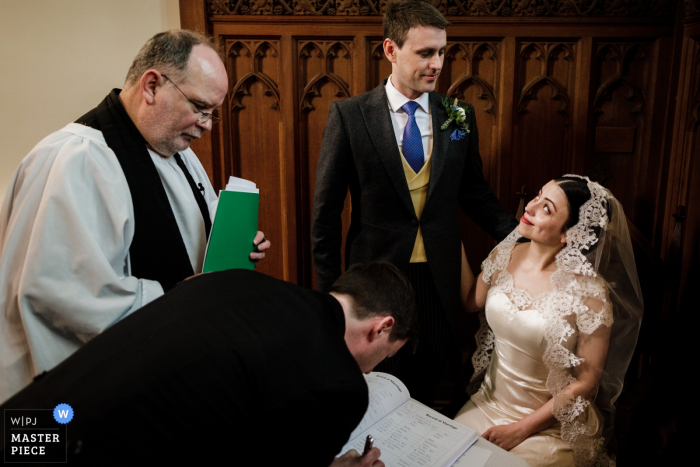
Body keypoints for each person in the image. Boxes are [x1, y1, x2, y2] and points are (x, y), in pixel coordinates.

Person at [0, 30, 271, 404]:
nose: (206, 124)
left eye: (212, 113)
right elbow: (62, 296)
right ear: (152, 86)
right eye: (199, 107)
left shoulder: (176, 152)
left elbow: (195, 239)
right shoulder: (73, 160)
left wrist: (237, 245)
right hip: (70, 397)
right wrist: (184, 301)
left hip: (155, 365)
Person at [0, 262, 417, 466]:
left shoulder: (237, 279)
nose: (370, 371)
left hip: (30, 424)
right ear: (382, 328)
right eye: (385, 357)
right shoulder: (338, 385)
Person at [311, 0, 517, 406]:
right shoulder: (350, 116)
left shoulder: (457, 116)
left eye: (442, 52)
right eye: (425, 53)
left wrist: (522, 236)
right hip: (374, 279)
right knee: (374, 389)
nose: (437, 63)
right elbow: (325, 217)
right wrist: (328, 302)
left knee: (426, 386)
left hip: (440, 279)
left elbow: (474, 194)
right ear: (391, 50)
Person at [455, 175, 643, 466]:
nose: (530, 206)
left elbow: (587, 383)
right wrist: (448, 236)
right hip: (488, 403)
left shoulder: (590, 291)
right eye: (538, 196)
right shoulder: (505, 253)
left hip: (550, 426)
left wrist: (520, 429)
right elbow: (471, 301)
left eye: (547, 208)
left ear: (569, 233)